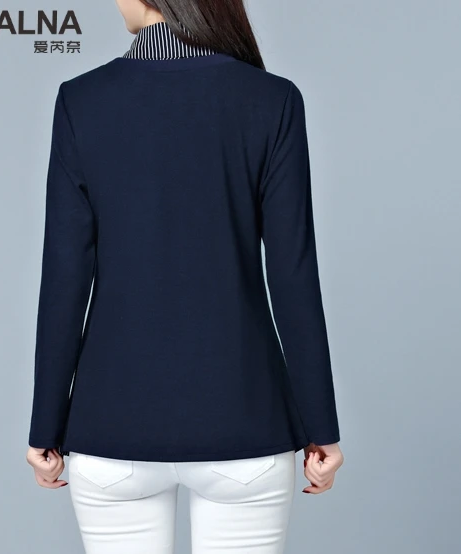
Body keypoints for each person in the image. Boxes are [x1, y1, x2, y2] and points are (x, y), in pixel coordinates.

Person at [25, 0, 344, 552]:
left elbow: (65, 277)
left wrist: (45, 427)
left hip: (113, 426)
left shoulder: (82, 101)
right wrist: (322, 428)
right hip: (245, 424)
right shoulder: (272, 100)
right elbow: (293, 273)